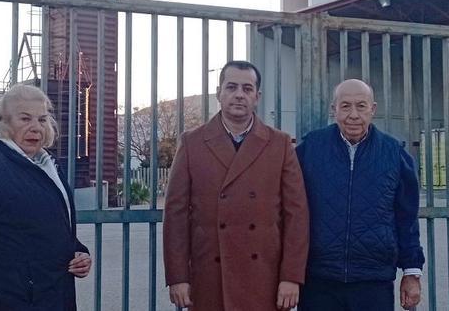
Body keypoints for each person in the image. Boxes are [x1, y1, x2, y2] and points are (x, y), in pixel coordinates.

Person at [163, 60, 310, 310]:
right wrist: (178, 277)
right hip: (209, 274)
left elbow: (296, 215)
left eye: (247, 89)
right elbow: (175, 215)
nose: (239, 95)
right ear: (218, 92)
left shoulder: (280, 144)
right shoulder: (192, 143)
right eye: (231, 87)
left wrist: (291, 277)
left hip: (265, 278)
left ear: (257, 96)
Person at [0, 84, 91, 310]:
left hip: (52, 298)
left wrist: (78, 251)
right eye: (25, 119)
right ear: (4, 123)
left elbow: (40, 227)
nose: (36, 128)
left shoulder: (47, 165)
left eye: (42, 120)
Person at [294, 79, 425, 311]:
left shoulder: (394, 154)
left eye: (361, 106)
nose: (353, 114)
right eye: (345, 106)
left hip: (373, 281)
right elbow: (289, 210)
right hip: (319, 280)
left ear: (372, 109)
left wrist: (411, 272)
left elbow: (407, 218)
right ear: (334, 110)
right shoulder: (310, 150)